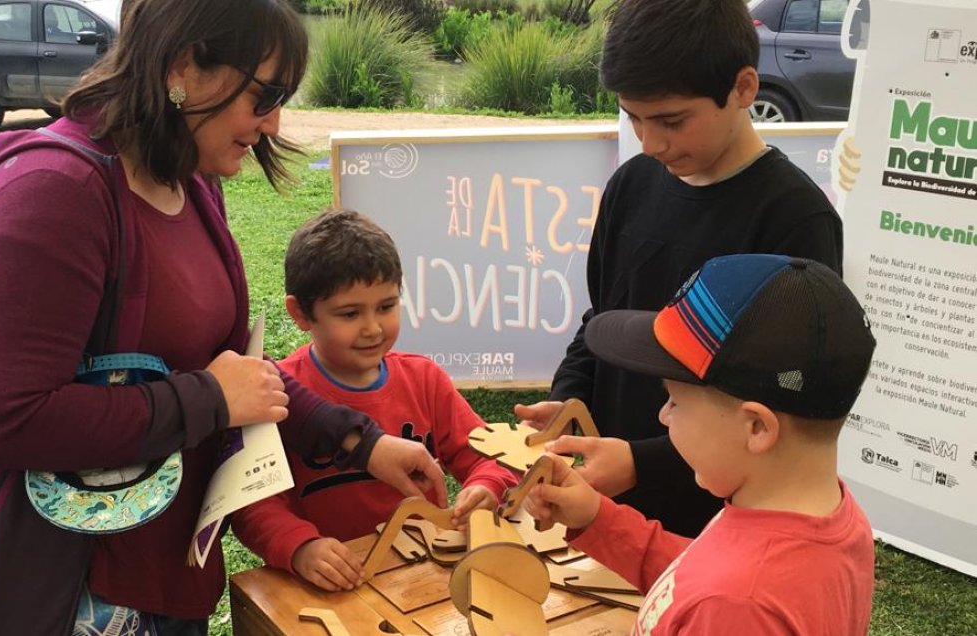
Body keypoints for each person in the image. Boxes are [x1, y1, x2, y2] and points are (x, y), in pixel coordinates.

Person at [0, 1, 445, 634]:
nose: (273, 122)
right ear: (184, 65)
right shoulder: (53, 196)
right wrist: (209, 399)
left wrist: (361, 442)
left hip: (163, 569)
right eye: (265, 94)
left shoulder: (189, 178)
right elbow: (8, 420)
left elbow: (235, 371)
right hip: (71, 590)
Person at [515, 0, 844, 538]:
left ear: (743, 88)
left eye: (671, 120)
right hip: (608, 505)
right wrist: (569, 395)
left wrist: (642, 462)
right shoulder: (631, 185)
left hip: (721, 521)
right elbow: (602, 317)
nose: (651, 142)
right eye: (634, 118)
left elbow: (784, 408)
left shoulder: (795, 218)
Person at [525, 253, 877, 635]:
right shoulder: (823, 518)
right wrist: (595, 516)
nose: (663, 415)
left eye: (675, 400)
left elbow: (720, 594)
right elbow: (692, 574)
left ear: (757, 427)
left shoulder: (737, 605)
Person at [232, 209, 518, 592]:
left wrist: (485, 487)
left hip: (426, 576)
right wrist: (300, 547)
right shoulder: (278, 394)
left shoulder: (425, 380)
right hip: (331, 584)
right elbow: (254, 503)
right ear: (300, 313)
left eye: (386, 306)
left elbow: (489, 457)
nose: (372, 327)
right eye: (350, 313)